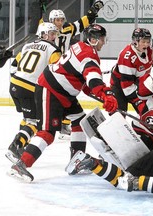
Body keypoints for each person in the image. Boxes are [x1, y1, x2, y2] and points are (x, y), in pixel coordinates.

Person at [9, 24, 118, 181]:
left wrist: (100, 93)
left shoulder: (79, 46)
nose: (103, 42)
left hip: (64, 93)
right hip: (51, 90)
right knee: (47, 132)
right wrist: (104, 93)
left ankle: (76, 161)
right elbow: (93, 79)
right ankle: (21, 165)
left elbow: (82, 78)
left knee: (79, 121)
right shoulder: (89, 55)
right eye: (101, 39)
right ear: (93, 40)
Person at [5, 22, 61, 163]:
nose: (54, 37)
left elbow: (13, 66)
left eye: (55, 34)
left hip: (14, 85)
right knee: (35, 122)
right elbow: (58, 71)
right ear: (43, 34)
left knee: (27, 118)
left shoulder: (26, 46)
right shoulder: (53, 49)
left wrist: (17, 82)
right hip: (30, 88)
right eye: (51, 34)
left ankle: (22, 144)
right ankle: (16, 146)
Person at [47, 1, 104, 138]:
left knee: (68, 93)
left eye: (61, 20)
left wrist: (93, 11)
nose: (59, 23)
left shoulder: (67, 29)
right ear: (51, 21)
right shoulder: (46, 30)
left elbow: (82, 23)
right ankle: (49, 123)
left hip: (65, 64)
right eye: (57, 20)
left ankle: (62, 123)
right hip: (50, 64)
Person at [110, 28, 153, 114]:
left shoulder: (151, 52)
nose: (146, 45)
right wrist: (139, 100)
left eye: (148, 41)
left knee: (147, 113)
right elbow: (127, 88)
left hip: (137, 84)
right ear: (135, 41)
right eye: (143, 42)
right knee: (119, 115)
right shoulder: (127, 57)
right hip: (120, 87)